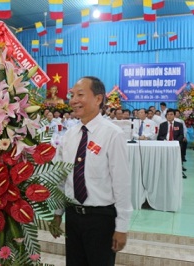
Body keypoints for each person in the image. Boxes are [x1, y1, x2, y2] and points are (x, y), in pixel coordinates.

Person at [52, 76, 132, 266]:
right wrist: (57, 213)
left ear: (98, 99)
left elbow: (121, 183)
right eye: (72, 95)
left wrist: (122, 227)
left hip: (101, 219)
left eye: (80, 94)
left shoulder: (113, 134)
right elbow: (63, 178)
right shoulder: (69, 135)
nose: (73, 100)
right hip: (73, 216)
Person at [157, 108, 186, 178]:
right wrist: (164, 140)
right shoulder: (162, 125)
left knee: (180, 150)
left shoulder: (179, 124)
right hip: (165, 143)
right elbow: (159, 136)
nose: (169, 116)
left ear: (174, 116)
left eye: (171, 114)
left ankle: (179, 171)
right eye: (168, 115)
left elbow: (181, 135)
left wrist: (175, 142)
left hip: (175, 143)